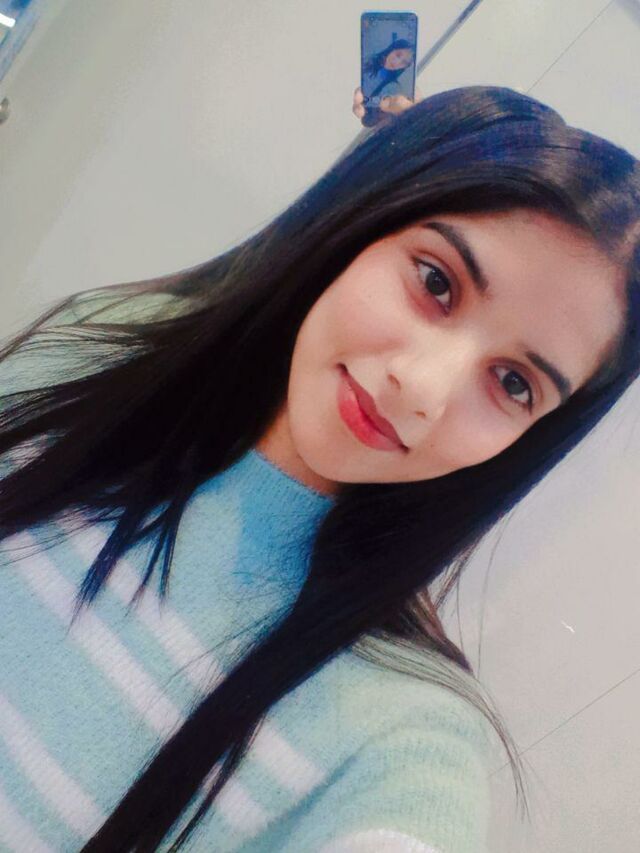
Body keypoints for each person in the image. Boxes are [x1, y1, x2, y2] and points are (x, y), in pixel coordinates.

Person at [0, 83, 638, 853]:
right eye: (436, 282)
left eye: (513, 383)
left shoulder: (398, 738)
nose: (422, 390)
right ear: (363, 220)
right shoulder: (79, 359)